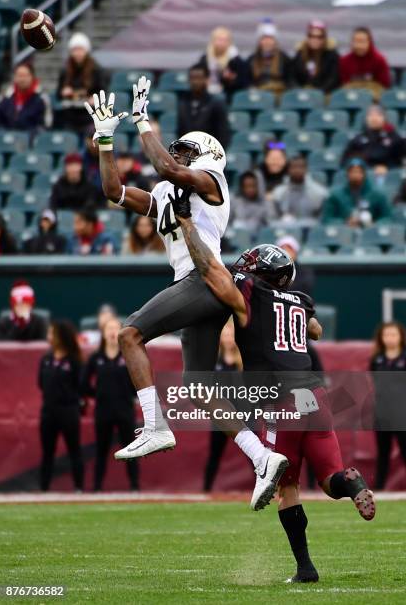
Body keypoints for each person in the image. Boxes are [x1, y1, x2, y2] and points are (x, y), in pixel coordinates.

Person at [84, 81, 288, 512]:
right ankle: (263, 458)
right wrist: (104, 141)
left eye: (185, 152)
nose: (177, 156)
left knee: (129, 334)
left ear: (207, 157)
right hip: (198, 285)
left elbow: (169, 170)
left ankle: (156, 425)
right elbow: (114, 192)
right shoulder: (166, 192)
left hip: (203, 278)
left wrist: (142, 122)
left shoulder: (212, 181)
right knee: (198, 385)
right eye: (176, 151)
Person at [174, 195, 376, 583]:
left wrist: (187, 227)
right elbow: (314, 329)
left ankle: (305, 568)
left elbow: (210, 271)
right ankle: (352, 484)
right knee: (330, 478)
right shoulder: (299, 301)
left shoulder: (252, 294)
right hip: (314, 396)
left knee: (285, 484)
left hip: (277, 401)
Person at [81, 318, 139, 491]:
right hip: (103, 411)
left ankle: (134, 487)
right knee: (101, 450)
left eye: (116, 328)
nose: (112, 332)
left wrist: (132, 396)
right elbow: (83, 383)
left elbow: (138, 378)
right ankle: (97, 487)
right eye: (109, 329)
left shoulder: (127, 356)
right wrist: (97, 395)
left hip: (125, 410)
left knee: (131, 450)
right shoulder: (95, 358)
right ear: (103, 333)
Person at [38, 320, 84, 491]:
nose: (49, 337)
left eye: (52, 333)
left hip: (68, 411)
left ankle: (78, 487)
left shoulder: (74, 361)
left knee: (74, 450)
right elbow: (41, 383)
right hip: (48, 411)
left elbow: (80, 385)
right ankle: (44, 488)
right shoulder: (46, 359)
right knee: (47, 452)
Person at [204, 319, 243, 492]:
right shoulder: (214, 359)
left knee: (253, 452)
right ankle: (206, 490)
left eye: (231, 334)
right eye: (225, 334)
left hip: (241, 415)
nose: (228, 338)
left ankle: (264, 487)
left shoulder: (242, 360)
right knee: (214, 455)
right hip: (221, 416)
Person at [370, 322, 406, 490]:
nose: (390, 338)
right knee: (383, 453)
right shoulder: (377, 359)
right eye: (386, 335)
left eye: (393, 334)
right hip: (383, 413)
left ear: (400, 336)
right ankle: (379, 489)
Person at [56, 32, 106, 133]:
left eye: (81, 49)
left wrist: (95, 99)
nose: (78, 53)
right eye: (75, 50)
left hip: (90, 114)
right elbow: (58, 94)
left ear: (86, 51)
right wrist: (63, 92)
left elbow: (103, 90)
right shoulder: (65, 70)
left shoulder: (95, 69)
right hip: (70, 114)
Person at [322, 158, 392, 226]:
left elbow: (387, 218)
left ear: (364, 174)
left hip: (369, 233)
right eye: (352, 172)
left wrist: (373, 225)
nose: (355, 175)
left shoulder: (377, 194)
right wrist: (345, 223)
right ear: (347, 174)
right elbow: (327, 219)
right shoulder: (336, 195)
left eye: (359, 172)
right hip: (344, 232)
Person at [177, 64, 230, 149]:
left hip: (209, 153)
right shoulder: (183, 103)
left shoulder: (216, 104)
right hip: (187, 153)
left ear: (206, 79)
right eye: (192, 78)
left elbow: (223, 134)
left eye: (198, 78)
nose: (195, 82)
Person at [342, 105, 405, 171]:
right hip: (364, 175)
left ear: (384, 118)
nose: (374, 118)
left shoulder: (395, 138)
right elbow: (346, 161)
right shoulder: (357, 140)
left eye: (378, 115)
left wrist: (387, 168)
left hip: (388, 175)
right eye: (370, 115)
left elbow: (400, 161)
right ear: (366, 118)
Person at [339, 27, 391, 99]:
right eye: (356, 41)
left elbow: (384, 86)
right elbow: (343, 85)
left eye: (362, 41)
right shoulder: (344, 61)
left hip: (373, 101)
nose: (359, 45)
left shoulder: (379, 60)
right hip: (350, 99)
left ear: (369, 42)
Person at [272, 155, 327, 221]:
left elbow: (322, 218)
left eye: (301, 167)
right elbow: (275, 218)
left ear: (306, 169)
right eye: (294, 167)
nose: (298, 170)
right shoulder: (278, 192)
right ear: (288, 170)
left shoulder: (320, 192)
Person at [198, 26, 247, 99]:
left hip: (228, 94)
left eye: (225, 40)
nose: (222, 43)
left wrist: (230, 80)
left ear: (229, 42)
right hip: (207, 93)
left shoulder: (236, 60)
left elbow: (243, 82)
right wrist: (204, 81)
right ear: (213, 41)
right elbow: (198, 73)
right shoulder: (205, 58)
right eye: (219, 39)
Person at [292, 20, 340, 93]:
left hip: (324, 95)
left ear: (324, 38)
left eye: (319, 37)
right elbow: (292, 76)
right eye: (311, 36)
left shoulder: (332, 55)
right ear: (307, 37)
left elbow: (334, 79)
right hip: (302, 94)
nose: (315, 39)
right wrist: (299, 90)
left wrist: (318, 93)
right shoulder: (300, 54)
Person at [246, 19, 291, 96]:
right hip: (258, 97)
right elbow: (247, 82)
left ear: (275, 40)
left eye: (270, 38)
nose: (267, 41)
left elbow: (289, 81)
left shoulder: (284, 59)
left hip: (279, 97)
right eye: (264, 38)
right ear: (259, 41)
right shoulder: (251, 60)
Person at [0, 63, 47, 133]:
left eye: (25, 76)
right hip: (8, 139)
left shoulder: (41, 100)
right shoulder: (6, 99)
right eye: (19, 75)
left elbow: (43, 126)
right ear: (15, 77)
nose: (22, 79)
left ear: (32, 77)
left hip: (31, 140)